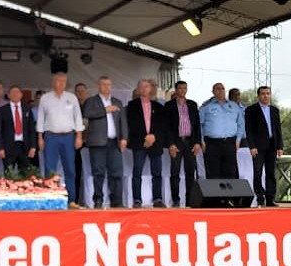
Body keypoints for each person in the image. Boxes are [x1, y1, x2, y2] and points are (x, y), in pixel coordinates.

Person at [81, 75, 128, 209]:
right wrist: (105, 110)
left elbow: (123, 121)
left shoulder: (117, 102)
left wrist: (124, 138)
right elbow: (87, 114)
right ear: (99, 86)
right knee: (98, 173)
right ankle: (98, 200)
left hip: (114, 142)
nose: (107, 87)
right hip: (97, 143)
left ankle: (117, 201)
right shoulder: (91, 101)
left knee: (116, 173)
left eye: (109, 85)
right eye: (104, 84)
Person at [37, 72, 83, 209]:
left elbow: (78, 117)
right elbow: (40, 118)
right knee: (50, 169)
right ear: (53, 82)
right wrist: (40, 137)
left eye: (64, 81)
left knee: (70, 169)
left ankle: (71, 200)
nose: (61, 83)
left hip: (68, 136)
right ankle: (50, 199)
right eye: (58, 81)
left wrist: (79, 136)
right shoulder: (45, 98)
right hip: (51, 136)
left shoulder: (72, 98)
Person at [126, 79, 167, 208]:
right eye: (142, 87)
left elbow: (162, 126)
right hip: (140, 143)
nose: (144, 89)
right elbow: (132, 124)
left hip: (155, 143)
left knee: (157, 173)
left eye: (147, 86)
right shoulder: (132, 105)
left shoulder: (158, 107)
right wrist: (146, 137)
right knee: (137, 172)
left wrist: (153, 136)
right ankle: (137, 200)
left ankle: (157, 199)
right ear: (138, 90)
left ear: (150, 89)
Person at [244, 85, 284, 207]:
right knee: (258, 172)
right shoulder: (251, 110)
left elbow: (278, 130)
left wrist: (280, 146)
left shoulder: (274, 110)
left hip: (272, 145)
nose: (266, 96)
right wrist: (252, 146)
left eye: (268, 93)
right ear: (258, 95)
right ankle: (260, 198)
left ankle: (270, 198)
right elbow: (249, 129)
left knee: (271, 173)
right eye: (263, 94)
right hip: (258, 146)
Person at [164, 81, 203, 207]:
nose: (182, 90)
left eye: (184, 88)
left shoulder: (192, 104)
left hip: (190, 142)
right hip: (176, 142)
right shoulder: (169, 105)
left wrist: (197, 142)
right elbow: (167, 127)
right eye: (180, 88)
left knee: (190, 173)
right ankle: (176, 200)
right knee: (175, 173)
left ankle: (190, 200)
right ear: (176, 90)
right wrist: (170, 144)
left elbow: (197, 126)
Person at [200, 83, 244, 181]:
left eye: (223, 88)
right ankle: (214, 192)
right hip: (212, 143)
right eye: (218, 89)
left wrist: (238, 140)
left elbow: (241, 124)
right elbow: (199, 125)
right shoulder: (206, 107)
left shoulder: (234, 106)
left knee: (230, 172)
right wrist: (202, 141)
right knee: (213, 172)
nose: (221, 91)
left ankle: (229, 191)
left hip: (230, 142)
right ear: (213, 92)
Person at [0, 84, 37, 176]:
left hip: (24, 147)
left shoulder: (27, 109)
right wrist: (0, 148)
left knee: (25, 174)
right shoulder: (3, 110)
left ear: (21, 95)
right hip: (8, 147)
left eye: (17, 92)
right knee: (8, 174)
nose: (15, 94)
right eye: (12, 92)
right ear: (8, 95)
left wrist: (33, 147)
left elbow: (31, 129)